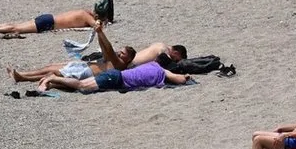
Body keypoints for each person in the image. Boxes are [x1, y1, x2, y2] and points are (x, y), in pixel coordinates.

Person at [6, 22, 188, 82]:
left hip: (86, 72)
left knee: (52, 72)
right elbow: (106, 49)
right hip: (85, 66)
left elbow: (107, 48)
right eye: (121, 51)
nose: (119, 52)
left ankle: (22, 77)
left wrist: (101, 32)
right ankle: (23, 74)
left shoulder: (120, 65)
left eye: (122, 53)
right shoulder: (119, 60)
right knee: (50, 67)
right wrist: (99, 32)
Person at [0, 0, 112, 37]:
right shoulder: (86, 16)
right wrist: (101, 21)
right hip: (48, 24)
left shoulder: (84, 12)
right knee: (15, 29)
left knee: (15, 25)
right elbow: (96, 26)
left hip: (48, 18)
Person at [37, 60, 193, 93]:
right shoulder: (162, 72)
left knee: (81, 86)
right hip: (117, 79)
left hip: (116, 76)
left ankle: (52, 84)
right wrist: (186, 76)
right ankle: (52, 79)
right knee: (82, 86)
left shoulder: (152, 64)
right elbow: (180, 80)